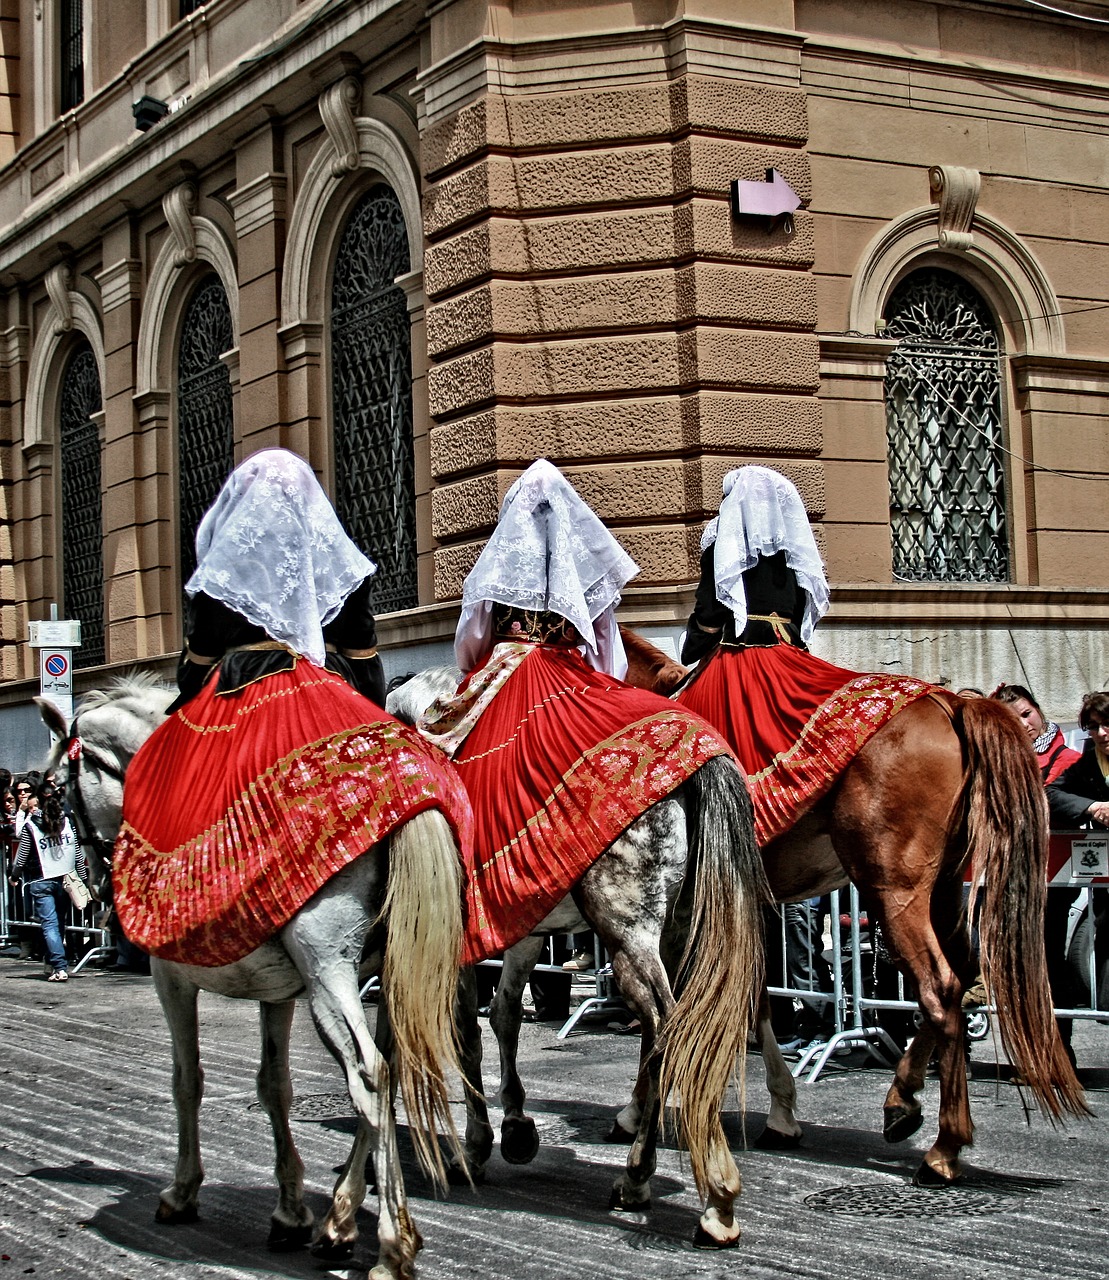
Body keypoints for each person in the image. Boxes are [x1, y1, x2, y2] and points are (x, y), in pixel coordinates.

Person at [113, 448, 469, 967]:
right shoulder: (341, 566)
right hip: (323, 688)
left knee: (164, 781)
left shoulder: (222, 572)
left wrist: (187, 705)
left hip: (235, 689)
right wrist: (371, 723)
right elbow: (365, 660)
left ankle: (200, 911)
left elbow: (194, 669)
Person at [418, 458, 733, 971]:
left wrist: (491, 666)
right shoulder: (583, 568)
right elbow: (606, 650)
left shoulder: (497, 566)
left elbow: (469, 645)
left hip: (506, 671)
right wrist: (592, 685)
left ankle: (469, 891)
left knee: (451, 766)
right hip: (570, 673)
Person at [1042, 691, 1109, 1067]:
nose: (1101, 733)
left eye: (1106, 724)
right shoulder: (1089, 763)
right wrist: (1092, 807)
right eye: (1094, 727)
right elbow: (1052, 793)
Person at [8, 779, 87, 981]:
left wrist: (14, 875)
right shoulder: (67, 821)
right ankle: (53, 962)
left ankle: (59, 966)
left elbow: (22, 854)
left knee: (50, 924)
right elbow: (76, 852)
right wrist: (83, 879)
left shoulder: (32, 825)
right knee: (59, 922)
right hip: (64, 878)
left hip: (40, 879)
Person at [994, 684, 1080, 784]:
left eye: (1026, 714)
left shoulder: (1070, 759)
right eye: (1013, 720)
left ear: (1037, 709)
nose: (1024, 724)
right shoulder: (1000, 759)